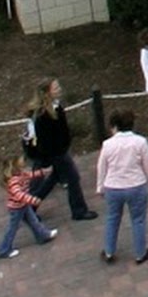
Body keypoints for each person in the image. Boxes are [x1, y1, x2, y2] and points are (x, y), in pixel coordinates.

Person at [94, 109, 148, 266]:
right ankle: (140, 253)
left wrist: (100, 187)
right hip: (136, 186)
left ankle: (109, 251)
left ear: (114, 126)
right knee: (138, 220)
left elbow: (102, 167)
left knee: (112, 218)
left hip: (113, 187)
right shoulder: (140, 142)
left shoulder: (108, 144)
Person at [24, 80, 97, 221]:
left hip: (57, 152)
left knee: (51, 180)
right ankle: (79, 210)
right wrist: (53, 156)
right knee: (72, 178)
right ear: (47, 92)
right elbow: (46, 140)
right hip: (55, 154)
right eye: (55, 87)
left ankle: (29, 209)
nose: (59, 89)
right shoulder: (43, 115)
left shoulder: (54, 107)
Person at [0, 154, 57, 259]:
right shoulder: (14, 181)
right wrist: (32, 200)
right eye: (21, 161)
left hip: (23, 205)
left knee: (33, 221)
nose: (23, 161)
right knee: (13, 228)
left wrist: (43, 172)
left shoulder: (20, 174)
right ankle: (4, 250)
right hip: (17, 208)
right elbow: (19, 195)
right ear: (14, 165)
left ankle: (43, 236)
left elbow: (30, 175)